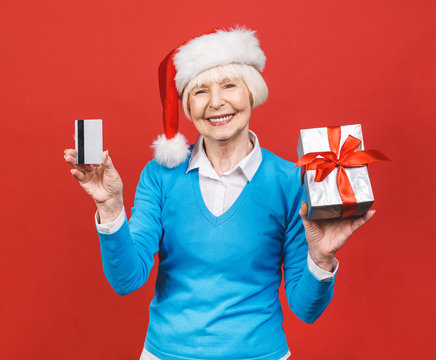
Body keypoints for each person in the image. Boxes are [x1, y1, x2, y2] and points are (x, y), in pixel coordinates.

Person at [63, 26, 375, 360]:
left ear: (251, 92)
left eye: (229, 85)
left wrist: (321, 257)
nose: (216, 102)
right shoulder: (160, 175)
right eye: (200, 91)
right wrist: (110, 208)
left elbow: (305, 309)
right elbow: (127, 278)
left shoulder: (289, 180)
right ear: (186, 105)